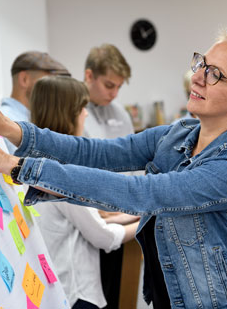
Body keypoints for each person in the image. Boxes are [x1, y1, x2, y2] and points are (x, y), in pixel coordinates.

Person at [0, 27, 227, 308]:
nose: (197, 76)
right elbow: (97, 153)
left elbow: (141, 193)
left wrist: (13, 165)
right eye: (201, 63)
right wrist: (8, 128)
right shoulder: (179, 134)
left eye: (215, 74)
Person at [28, 76, 139, 309]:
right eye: (82, 108)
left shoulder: (34, 162)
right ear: (67, 113)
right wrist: (148, 222)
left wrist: (136, 212)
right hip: (75, 293)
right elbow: (103, 236)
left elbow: (85, 219)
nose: (86, 114)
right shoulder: (62, 171)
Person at [82, 44, 134, 308]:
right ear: (89, 76)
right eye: (109, 85)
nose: (114, 94)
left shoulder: (120, 113)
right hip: (88, 221)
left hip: (119, 217)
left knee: (116, 292)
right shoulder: (74, 112)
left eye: (118, 88)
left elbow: (131, 164)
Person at [1, 51, 70, 153]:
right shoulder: (7, 119)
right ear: (24, 79)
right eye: (49, 82)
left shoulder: (33, 119)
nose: (55, 90)